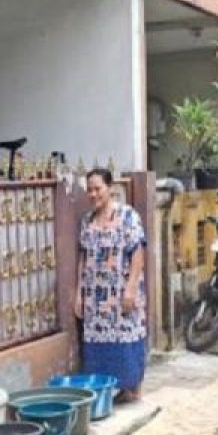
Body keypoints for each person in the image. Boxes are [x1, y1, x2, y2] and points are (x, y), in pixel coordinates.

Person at [75, 168, 147, 402]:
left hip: (121, 292)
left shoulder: (127, 216)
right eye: (90, 190)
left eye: (98, 189)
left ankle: (131, 388)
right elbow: (83, 258)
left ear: (110, 189)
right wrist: (79, 294)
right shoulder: (87, 221)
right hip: (95, 296)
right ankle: (107, 389)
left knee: (126, 338)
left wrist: (131, 288)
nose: (93, 194)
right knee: (98, 342)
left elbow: (137, 251)